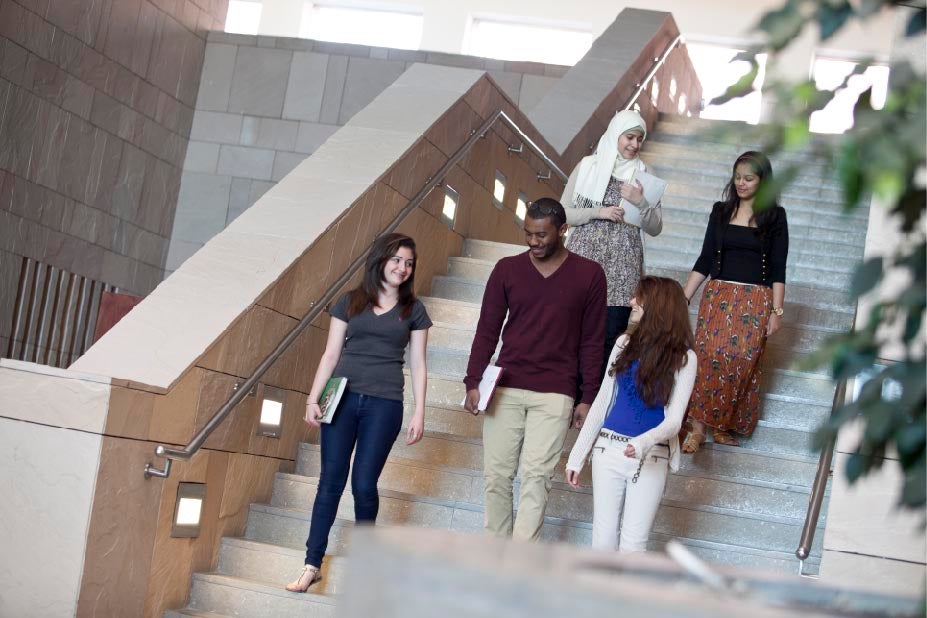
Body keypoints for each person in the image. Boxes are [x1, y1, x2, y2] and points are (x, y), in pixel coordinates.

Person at [286, 232, 431, 592]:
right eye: (397, 259)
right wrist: (312, 397)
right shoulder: (350, 302)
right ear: (381, 260)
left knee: (364, 483)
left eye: (409, 263)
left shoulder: (414, 310)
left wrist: (419, 412)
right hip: (342, 400)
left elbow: (418, 363)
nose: (403, 267)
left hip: (385, 404)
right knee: (330, 481)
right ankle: (311, 563)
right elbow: (331, 354)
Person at [464, 198, 606, 541]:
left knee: (536, 477)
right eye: (528, 234)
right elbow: (487, 330)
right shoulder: (506, 269)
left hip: (556, 392)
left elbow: (592, 341)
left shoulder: (589, 274)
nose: (533, 241)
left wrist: (588, 398)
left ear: (563, 230)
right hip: (505, 387)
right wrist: (472, 380)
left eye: (541, 235)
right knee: (496, 476)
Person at [565, 276, 697, 553]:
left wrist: (643, 442)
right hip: (607, 450)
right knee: (602, 539)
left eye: (639, 298)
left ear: (658, 306)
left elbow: (674, 421)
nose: (631, 302)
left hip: (651, 456)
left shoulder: (685, 358)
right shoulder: (625, 343)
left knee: (634, 543)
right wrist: (577, 455)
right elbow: (603, 401)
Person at [681, 151, 789, 453]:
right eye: (737, 177)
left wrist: (776, 311)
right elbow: (705, 257)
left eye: (748, 178)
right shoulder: (720, 211)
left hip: (755, 299)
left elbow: (778, 268)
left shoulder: (775, 217)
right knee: (707, 356)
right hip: (719, 296)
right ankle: (698, 427)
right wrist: (685, 295)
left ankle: (723, 424)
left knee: (741, 361)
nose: (741, 183)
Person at [561, 109, 664, 375]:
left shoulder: (645, 173)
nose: (634, 145)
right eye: (629, 137)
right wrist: (598, 212)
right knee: (571, 337)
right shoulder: (587, 166)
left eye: (639, 139)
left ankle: (593, 408)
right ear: (615, 134)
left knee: (610, 341)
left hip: (622, 272)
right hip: (582, 265)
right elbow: (562, 213)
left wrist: (640, 202)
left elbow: (655, 227)